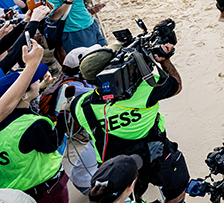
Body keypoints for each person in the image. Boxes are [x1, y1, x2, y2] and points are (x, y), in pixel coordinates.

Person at [73, 45, 190, 203]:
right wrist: (166, 60)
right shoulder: (147, 88)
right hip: (156, 155)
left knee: (130, 197)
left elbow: (74, 106)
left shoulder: (81, 106)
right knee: (176, 191)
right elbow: (176, 85)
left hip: (116, 169)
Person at [0, 61, 69, 203]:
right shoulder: (32, 124)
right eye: (34, 80)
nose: (38, 80)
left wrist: (41, 87)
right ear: (24, 95)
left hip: (16, 193)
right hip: (46, 189)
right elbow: (55, 142)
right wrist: (63, 113)